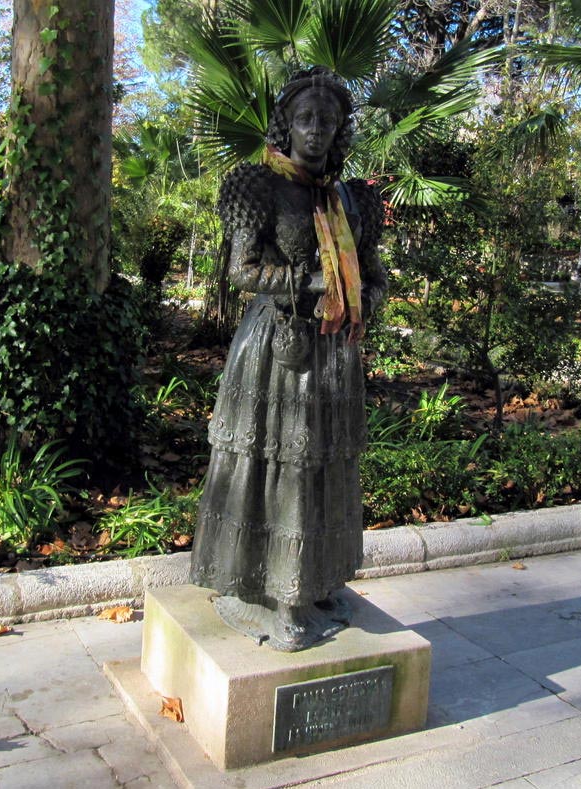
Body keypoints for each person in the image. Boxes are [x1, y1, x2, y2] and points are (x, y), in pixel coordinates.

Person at [189, 67, 388, 651]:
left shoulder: (353, 198)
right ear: (286, 124)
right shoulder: (260, 185)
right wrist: (316, 284)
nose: (317, 130)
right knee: (280, 468)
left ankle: (317, 580)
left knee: (324, 464)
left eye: (328, 121)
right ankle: (277, 595)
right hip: (279, 350)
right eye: (306, 118)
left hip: (334, 350)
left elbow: (374, 276)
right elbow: (242, 271)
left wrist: (361, 296)